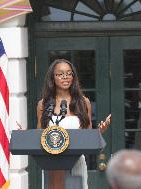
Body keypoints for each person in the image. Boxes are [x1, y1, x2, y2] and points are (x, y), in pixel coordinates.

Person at [36, 59, 111, 189]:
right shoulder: (44, 104)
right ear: (52, 78)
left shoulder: (83, 102)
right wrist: (24, 135)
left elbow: (88, 138)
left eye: (69, 73)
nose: (65, 77)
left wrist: (99, 132)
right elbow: (39, 136)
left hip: (76, 162)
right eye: (60, 74)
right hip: (51, 164)